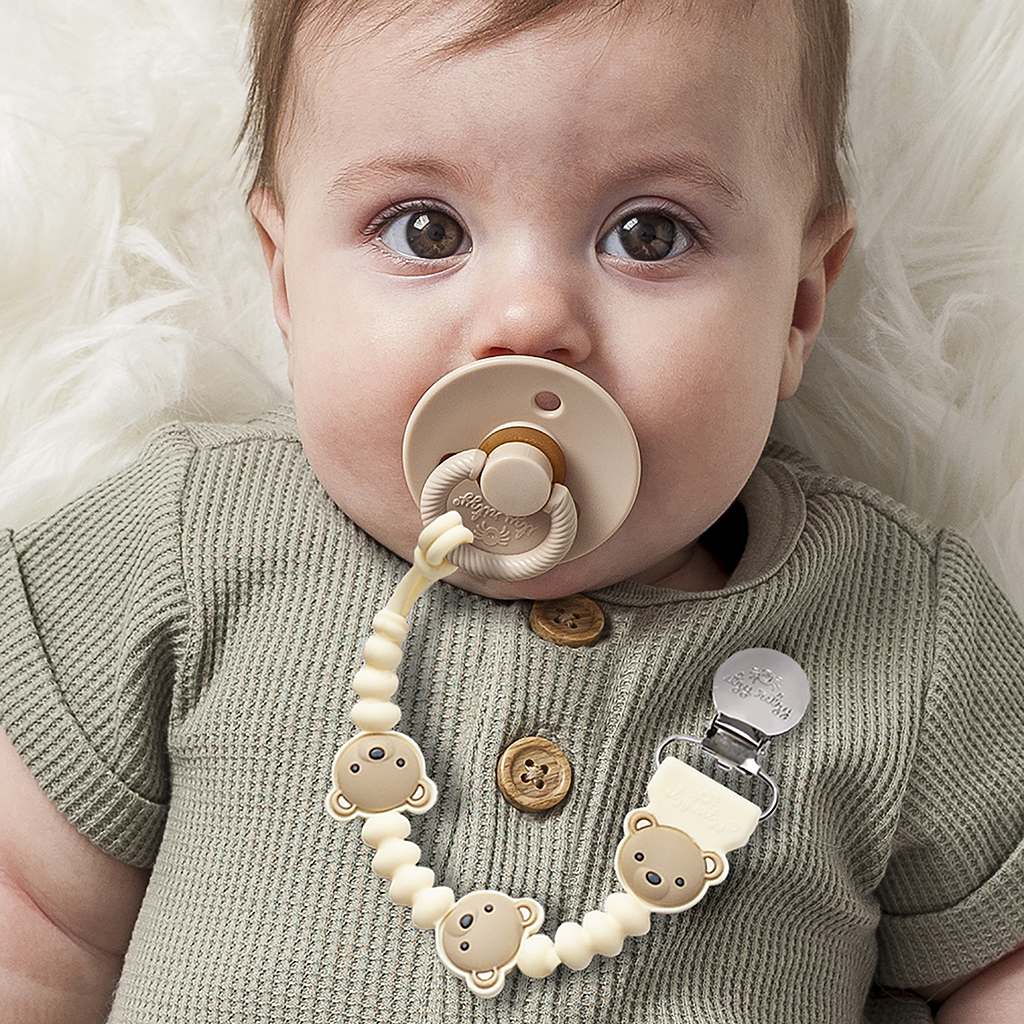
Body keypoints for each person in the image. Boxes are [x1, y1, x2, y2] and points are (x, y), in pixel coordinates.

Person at [1, 0, 1022, 1020]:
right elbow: (30, 919)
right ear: (285, 279)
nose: (530, 319)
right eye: (426, 229)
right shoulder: (190, 538)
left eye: (648, 233)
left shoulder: (909, 634)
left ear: (800, 304)